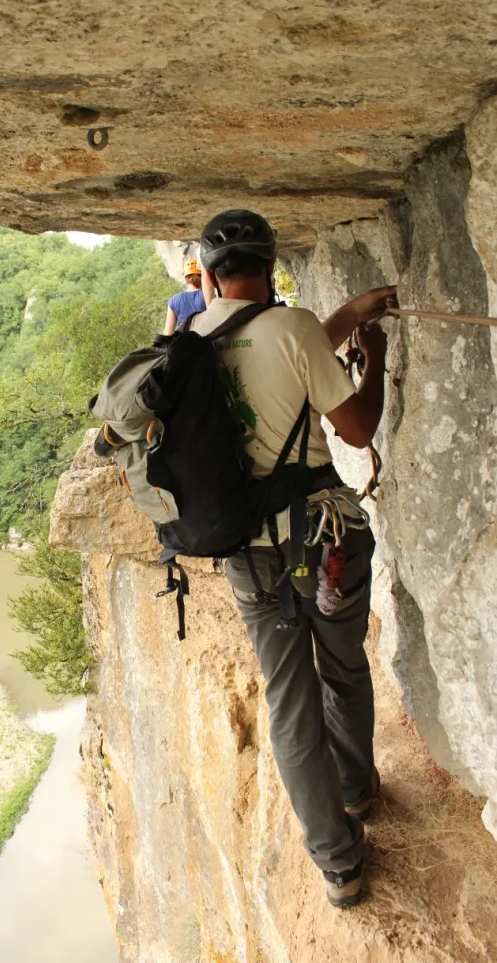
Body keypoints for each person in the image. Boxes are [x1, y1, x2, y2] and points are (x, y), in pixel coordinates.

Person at [192, 208, 397, 908]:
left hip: (248, 555)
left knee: (289, 702)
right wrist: (375, 358)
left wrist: (346, 314)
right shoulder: (295, 327)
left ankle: (338, 863)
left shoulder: (191, 341)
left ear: (208, 274)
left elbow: (275, 358)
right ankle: (357, 789)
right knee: (342, 669)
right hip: (322, 539)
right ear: (271, 263)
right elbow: (356, 427)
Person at [163, 258, 206, 334]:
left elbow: (168, 333)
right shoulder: (207, 295)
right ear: (202, 276)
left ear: (186, 278)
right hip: (208, 338)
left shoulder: (173, 301)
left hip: (185, 340)